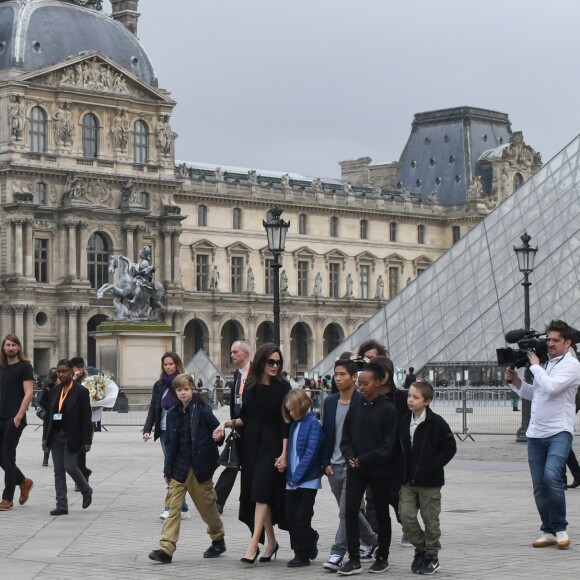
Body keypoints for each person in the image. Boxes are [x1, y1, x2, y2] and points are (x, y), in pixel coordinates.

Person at [213, 343, 291, 564]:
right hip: (250, 446)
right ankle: (273, 542)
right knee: (257, 495)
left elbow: (285, 422)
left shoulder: (283, 388)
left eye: (278, 362)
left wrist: (284, 452)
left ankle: (253, 544)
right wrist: (226, 423)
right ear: (261, 362)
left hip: (272, 446)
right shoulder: (250, 386)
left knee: (261, 493)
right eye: (271, 362)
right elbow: (245, 419)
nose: (275, 366)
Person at [506, 319, 580, 549]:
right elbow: (535, 394)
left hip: (559, 431)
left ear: (568, 343)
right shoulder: (546, 365)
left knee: (551, 477)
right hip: (536, 433)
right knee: (539, 484)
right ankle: (547, 530)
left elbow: (552, 387)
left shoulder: (572, 365)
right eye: (548, 339)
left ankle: (560, 528)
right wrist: (516, 382)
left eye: (555, 340)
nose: (550, 344)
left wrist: (535, 365)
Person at [148, 374, 226, 564]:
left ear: (192, 389)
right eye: (179, 390)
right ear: (175, 392)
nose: (183, 393)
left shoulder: (203, 410)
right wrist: (167, 470)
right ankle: (166, 548)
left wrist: (218, 435)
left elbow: (218, 432)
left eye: (186, 389)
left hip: (199, 468)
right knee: (173, 508)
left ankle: (218, 538)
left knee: (207, 509)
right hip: (179, 468)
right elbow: (171, 445)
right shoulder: (173, 412)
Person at [338, 360, 397, 575]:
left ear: (378, 383)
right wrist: (351, 457)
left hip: (379, 470)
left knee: (381, 512)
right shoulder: (355, 408)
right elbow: (345, 439)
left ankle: (383, 556)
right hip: (356, 468)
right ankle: (353, 558)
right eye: (360, 384)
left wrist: (365, 459)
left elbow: (388, 445)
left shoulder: (387, 409)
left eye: (365, 383)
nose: (361, 387)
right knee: (350, 510)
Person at [321, 357, 377, 572]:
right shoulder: (329, 402)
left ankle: (337, 552)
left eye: (342, 374)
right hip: (333, 467)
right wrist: (325, 462)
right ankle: (372, 539)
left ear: (354, 377)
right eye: (336, 374)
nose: (337, 378)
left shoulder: (362, 401)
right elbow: (327, 434)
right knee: (350, 512)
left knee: (346, 511)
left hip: (353, 466)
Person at [398, 381, 457, 575]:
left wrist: (434, 464)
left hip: (429, 481)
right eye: (409, 396)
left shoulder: (436, 423)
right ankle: (421, 548)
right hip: (407, 480)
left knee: (430, 519)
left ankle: (432, 555)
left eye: (415, 397)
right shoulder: (404, 421)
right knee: (405, 516)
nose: (410, 400)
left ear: (427, 401)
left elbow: (449, 446)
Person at [42, 359, 93, 515]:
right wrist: (45, 438)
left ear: (72, 372)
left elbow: (86, 417)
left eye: (64, 371)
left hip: (72, 435)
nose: (61, 374)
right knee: (58, 470)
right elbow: (49, 416)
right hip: (56, 435)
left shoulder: (81, 392)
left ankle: (86, 490)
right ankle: (62, 505)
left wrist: (87, 440)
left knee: (70, 466)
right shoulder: (55, 391)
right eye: (59, 371)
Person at [143, 352, 189, 519]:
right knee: (173, 467)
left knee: (171, 467)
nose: (168, 367)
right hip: (163, 431)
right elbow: (154, 408)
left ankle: (170, 507)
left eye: (171, 364)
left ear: (177, 364)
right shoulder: (159, 385)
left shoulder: (183, 383)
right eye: (165, 364)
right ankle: (182, 507)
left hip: (179, 431)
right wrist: (147, 428)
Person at [282, 389, 325, 568]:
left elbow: (311, 453)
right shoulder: (294, 424)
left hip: (307, 479)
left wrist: (297, 476)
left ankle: (301, 553)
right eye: (288, 410)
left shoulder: (313, 424)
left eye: (292, 410)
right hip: (293, 478)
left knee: (301, 516)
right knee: (289, 516)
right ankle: (309, 538)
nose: (291, 413)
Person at [214, 341, 251, 513]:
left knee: (243, 466)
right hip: (239, 426)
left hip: (251, 428)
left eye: (235, 352)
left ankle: (248, 501)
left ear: (246, 354)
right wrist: (233, 422)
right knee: (231, 463)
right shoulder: (237, 374)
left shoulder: (253, 375)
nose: (232, 355)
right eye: (231, 352)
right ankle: (217, 501)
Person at [0, 334, 34, 511]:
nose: (10, 348)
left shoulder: (25, 367)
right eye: (7, 345)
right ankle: (23, 481)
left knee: (7, 456)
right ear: (3, 347)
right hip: (1, 416)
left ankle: (7, 499)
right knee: (3, 458)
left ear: (19, 347)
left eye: (14, 345)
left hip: (14, 418)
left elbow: (29, 393)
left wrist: (18, 417)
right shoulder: (1, 367)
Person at [38, 368, 58, 467]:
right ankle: (46, 458)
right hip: (50, 417)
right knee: (48, 436)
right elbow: (42, 401)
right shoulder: (49, 388)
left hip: (58, 417)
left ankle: (55, 458)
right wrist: (50, 408)